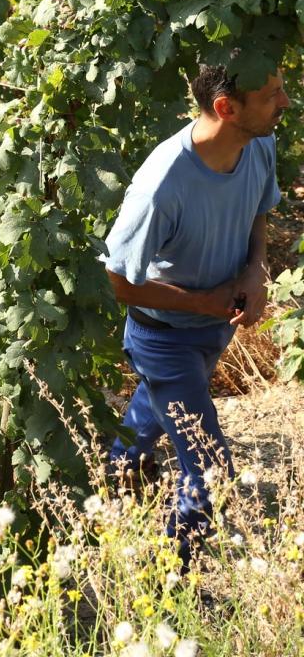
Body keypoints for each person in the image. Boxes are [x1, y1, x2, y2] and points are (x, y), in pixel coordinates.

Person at [103, 62, 289, 571]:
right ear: (226, 109)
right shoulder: (162, 185)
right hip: (164, 338)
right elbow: (119, 282)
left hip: (214, 329)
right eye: (272, 94)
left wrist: (255, 271)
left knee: (156, 408)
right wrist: (206, 303)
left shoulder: (260, 145)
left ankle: (116, 469)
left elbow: (259, 209)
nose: (286, 102)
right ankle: (169, 574)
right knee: (210, 470)